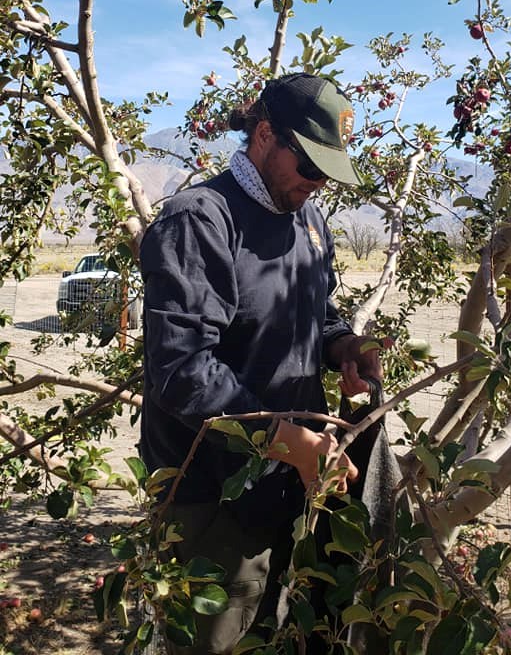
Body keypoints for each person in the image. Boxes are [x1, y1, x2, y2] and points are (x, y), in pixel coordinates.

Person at [139, 72, 382, 655]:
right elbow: (182, 367)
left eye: (328, 171)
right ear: (265, 135)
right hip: (213, 502)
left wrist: (343, 346)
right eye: (309, 166)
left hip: (291, 484)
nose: (318, 183)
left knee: (285, 630)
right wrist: (287, 439)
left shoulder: (308, 219)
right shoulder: (200, 220)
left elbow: (314, 310)